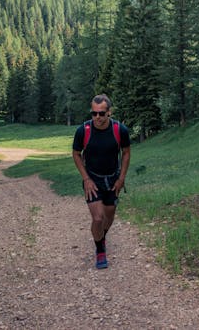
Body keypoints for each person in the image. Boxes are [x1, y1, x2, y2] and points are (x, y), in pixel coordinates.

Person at [72, 94, 131, 269]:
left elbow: (126, 152)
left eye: (101, 113)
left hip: (113, 179)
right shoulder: (83, 130)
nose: (97, 117)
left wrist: (121, 178)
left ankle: (101, 237)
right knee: (98, 218)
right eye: (94, 113)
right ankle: (100, 251)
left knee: (109, 215)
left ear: (109, 113)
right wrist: (86, 179)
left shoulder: (120, 130)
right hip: (92, 179)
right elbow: (76, 154)